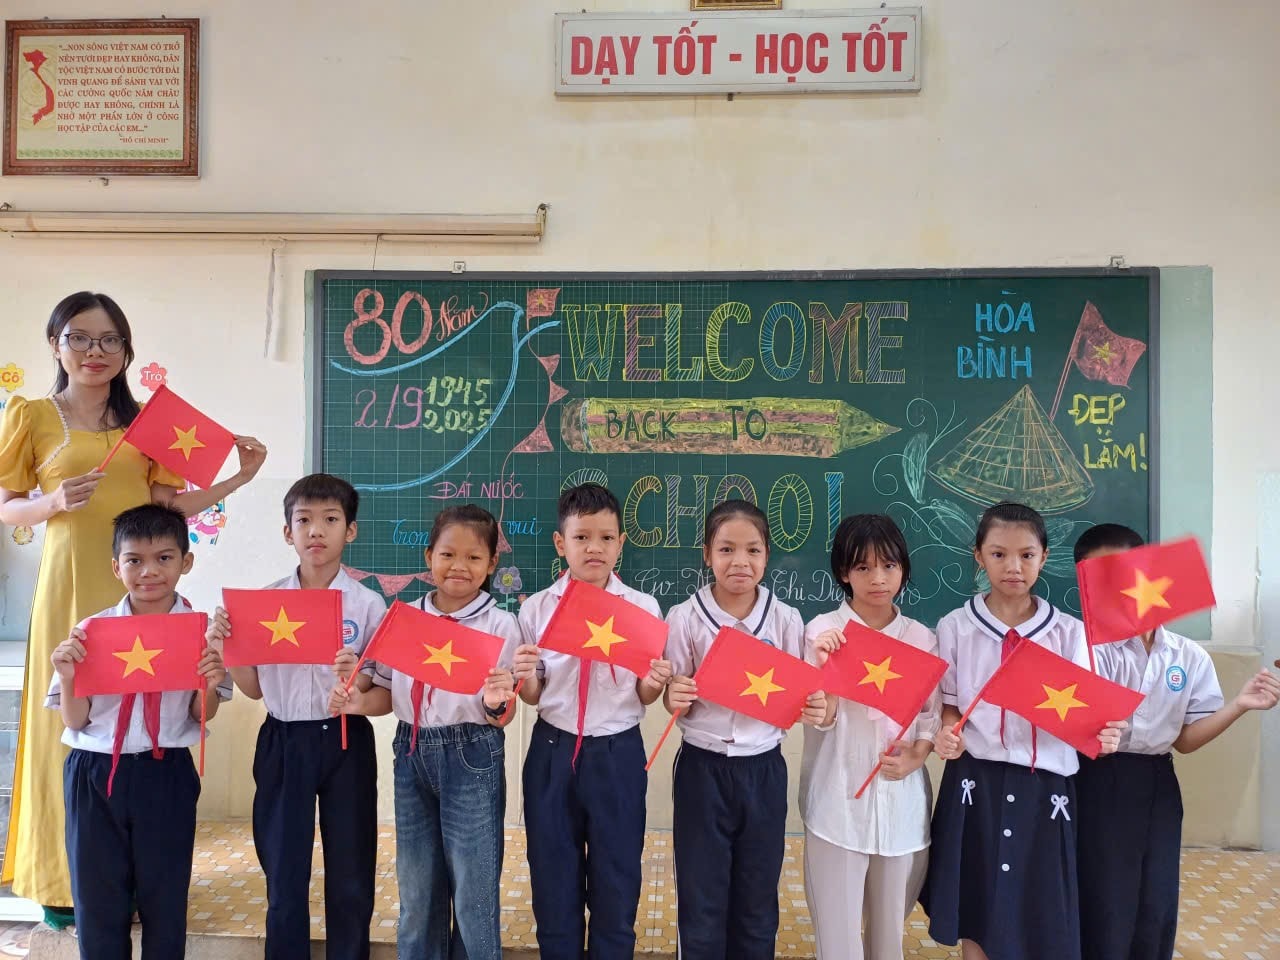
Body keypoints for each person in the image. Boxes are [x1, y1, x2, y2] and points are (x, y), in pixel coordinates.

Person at [0, 291, 264, 925]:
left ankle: (145, 884)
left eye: (109, 340)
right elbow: (7, 506)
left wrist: (239, 479)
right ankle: (63, 884)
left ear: (125, 350)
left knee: (147, 720)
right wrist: (53, 502)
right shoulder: (31, 415)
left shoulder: (148, 423)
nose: (95, 351)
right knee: (68, 726)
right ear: (56, 344)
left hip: (145, 595)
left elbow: (169, 508)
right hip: (69, 586)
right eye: (80, 338)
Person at [919, 501, 1125, 960]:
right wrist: (948, 733)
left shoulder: (1069, 634)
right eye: (999, 554)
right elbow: (950, 706)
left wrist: (1106, 734)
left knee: (1041, 908)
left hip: (1046, 787)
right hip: (976, 783)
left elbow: (1090, 716)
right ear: (978, 556)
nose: (1013, 567)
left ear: (1044, 557)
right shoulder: (955, 627)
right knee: (976, 904)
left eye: (1026, 555)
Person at [1073, 523, 1280, 960]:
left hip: (1157, 782)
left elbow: (1185, 741)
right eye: (1099, 574)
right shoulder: (1086, 649)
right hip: (1096, 779)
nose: (1114, 583)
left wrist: (1240, 704)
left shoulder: (1188, 655)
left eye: (1122, 570)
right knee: (1105, 892)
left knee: (1156, 893)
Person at [207, 473, 384, 960]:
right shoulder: (264, 603)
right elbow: (253, 688)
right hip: (283, 739)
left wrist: (354, 682)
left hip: (346, 739)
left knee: (351, 869)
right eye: (303, 520)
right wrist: (228, 646)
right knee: (284, 870)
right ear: (288, 532)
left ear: (350, 530)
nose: (316, 531)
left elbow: (377, 686)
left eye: (330, 519)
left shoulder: (368, 604)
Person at [330, 505, 519, 960]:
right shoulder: (402, 619)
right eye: (448, 554)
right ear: (429, 556)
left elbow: (503, 715)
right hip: (412, 749)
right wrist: (357, 702)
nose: (459, 566)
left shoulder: (501, 624)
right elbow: (385, 692)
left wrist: (497, 703)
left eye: (474, 557)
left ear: (492, 563)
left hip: (473, 754)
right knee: (417, 890)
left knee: (474, 891)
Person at [47, 504, 231, 959]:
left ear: (186, 562)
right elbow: (75, 720)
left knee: (165, 899)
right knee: (97, 901)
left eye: (164, 558)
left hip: (164, 772)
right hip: (95, 773)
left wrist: (208, 682)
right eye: (134, 560)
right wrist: (68, 677)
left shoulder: (201, 633)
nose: (149, 571)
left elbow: (202, 715)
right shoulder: (91, 631)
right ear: (117, 566)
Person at [510, 482, 671, 960]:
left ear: (621, 542)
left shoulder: (642, 609)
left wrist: (654, 682)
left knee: (616, 881)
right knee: (553, 881)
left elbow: (644, 694)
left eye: (605, 538)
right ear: (561, 543)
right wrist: (524, 675)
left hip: (617, 753)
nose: (594, 548)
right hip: (552, 751)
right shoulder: (537, 608)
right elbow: (534, 695)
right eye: (581, 537)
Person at [663, 499, 828, 960]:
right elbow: (671, 693)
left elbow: (802, 695)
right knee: (701, 895)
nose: (740, 561)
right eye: (726, 549)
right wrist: (673, 694)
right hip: (702, 768)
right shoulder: (685, 617)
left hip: (763, 769)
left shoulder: (786, 619)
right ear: (706, 554)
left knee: (757, 897)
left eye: (753, 550)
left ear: (767, 555)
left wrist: (813, 704)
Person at [800, 514, 940, 960]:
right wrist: (827, 671)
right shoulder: (823, 630)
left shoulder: (920, 638)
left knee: (887, 937)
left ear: (903, 568)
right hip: (837, 803)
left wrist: (916, 757)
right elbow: (819, 715)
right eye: (863, 567)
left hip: (900, 808)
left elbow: (930, 716)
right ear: (844, 572)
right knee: (838, 940)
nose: (878, 578)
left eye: (889, 565)